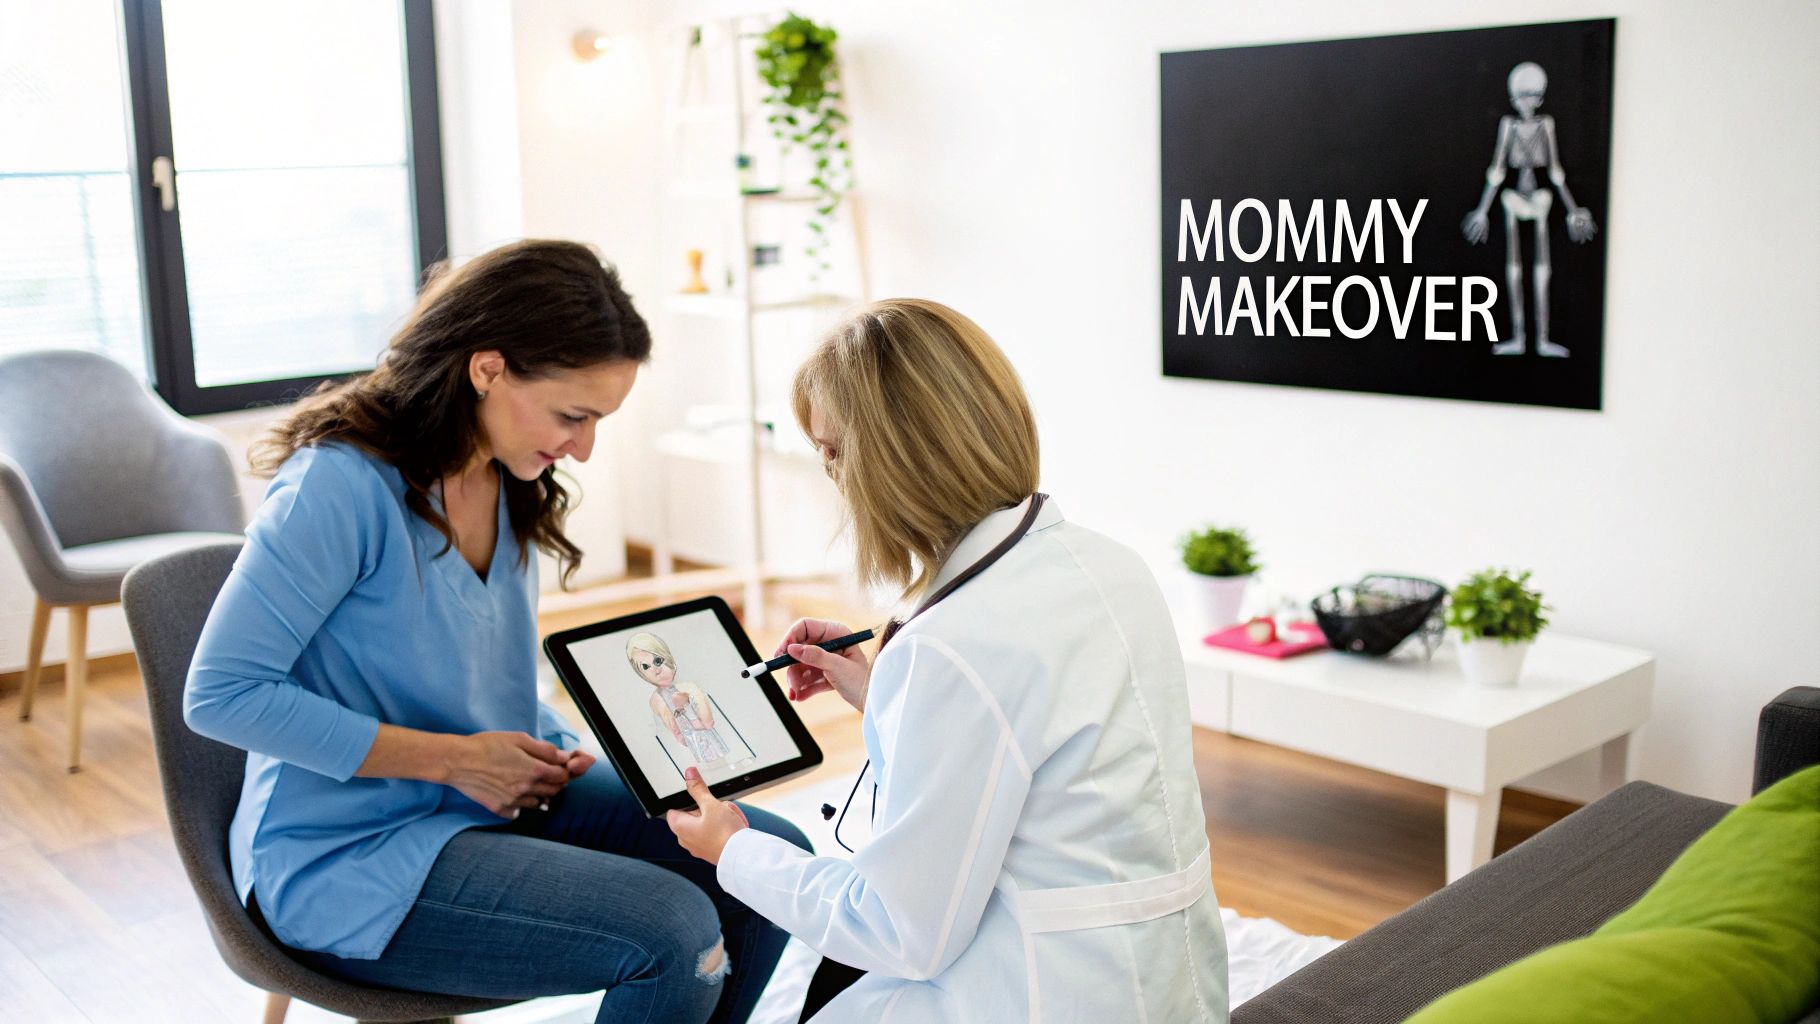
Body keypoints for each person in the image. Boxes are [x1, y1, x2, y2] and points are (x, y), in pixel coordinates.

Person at [184, 239, 808, 1024]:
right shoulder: (338, 486)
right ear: (488, 370)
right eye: (572, 415)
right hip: (347, 858)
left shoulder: (509, 478)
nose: (582, 447)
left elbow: (469, 665)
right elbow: (220, 695)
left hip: (484, 804)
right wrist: (455, 761)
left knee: (763, 858)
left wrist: (545, 738)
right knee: (672, 929)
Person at [664, 298, 1231, 1022]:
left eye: (834, 453)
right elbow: (1033, 738)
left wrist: (736, 851)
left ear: (898, 460)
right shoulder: (1109, 565)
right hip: (1169, 982)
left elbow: (898, 930)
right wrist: (883, 693)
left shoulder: (954, 644)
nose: (831, 477)